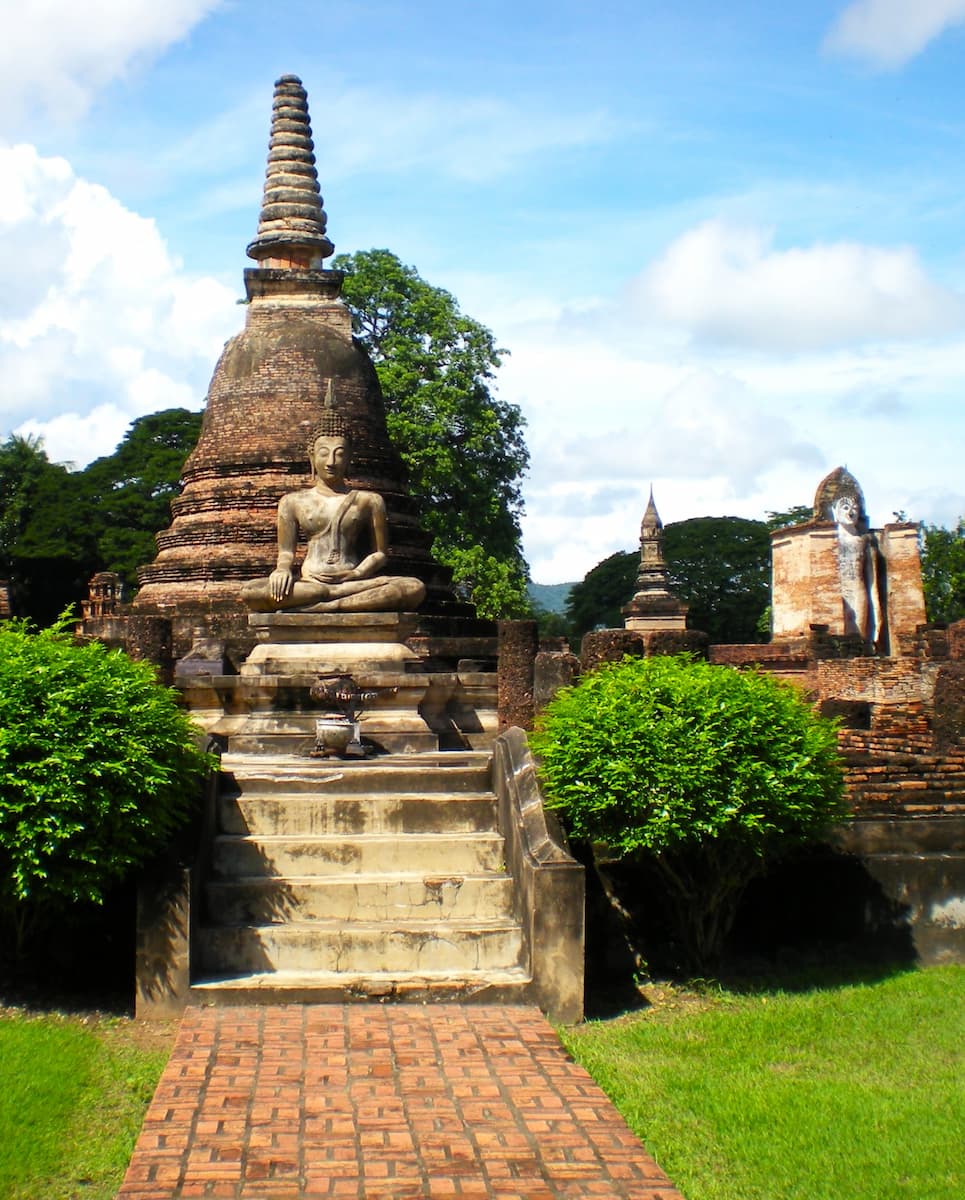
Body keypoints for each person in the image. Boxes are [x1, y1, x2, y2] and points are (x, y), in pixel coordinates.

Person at [241, 411, 426, 613]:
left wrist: (357, 573)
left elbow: (380, 553)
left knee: (413, 588)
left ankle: (327, 604)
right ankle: (329, 599)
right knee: (250, 591)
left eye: (339, 454)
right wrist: (282, 570)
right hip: (310, 582)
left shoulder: (370, 501)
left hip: (352, 582)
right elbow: (286, 552)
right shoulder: (292, 501)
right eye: (323, 453)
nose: (331, 461)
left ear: (349, 458)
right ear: (311, 456)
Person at [831, 492, 883, 646]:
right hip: (838, 590)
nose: (850, 512)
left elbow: (872, 578)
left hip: (858, 590)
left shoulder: (864, 541)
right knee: (840, 632)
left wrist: (877, 610)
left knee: (859, 637)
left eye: (855, 508)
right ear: (835, 512)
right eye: (845, 507)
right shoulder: (830, 542)